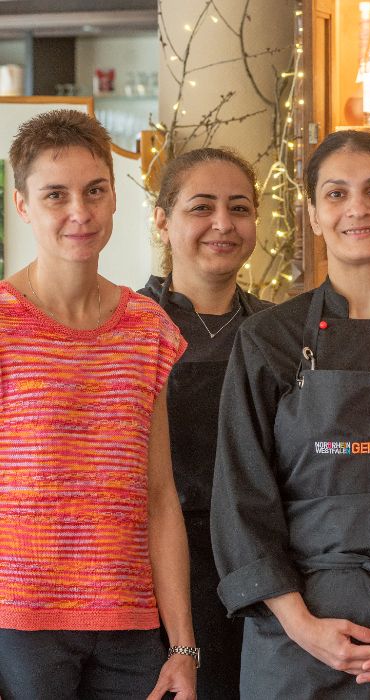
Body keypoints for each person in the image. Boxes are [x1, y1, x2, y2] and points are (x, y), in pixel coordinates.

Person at [210, 130, 370, 698]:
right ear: (312, 214)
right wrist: (302, 626)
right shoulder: (269, 341)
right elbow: (241, 497)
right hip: (298, 638)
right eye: (336, 194)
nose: (357, 208)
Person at [0, 110, 196, 698]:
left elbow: (159, 495)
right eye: (55, 195)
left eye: (94, 191)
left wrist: (183, 646)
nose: (79, 212)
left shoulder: (147, 328)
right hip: (20, 625)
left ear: (114, 198)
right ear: (22, 205)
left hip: (130, 625)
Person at [138, 147, 272, 699]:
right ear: (163, 221)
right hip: (149, 577)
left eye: (239, 208)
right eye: (202, 207)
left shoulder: (279, 333)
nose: (223, 223)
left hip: (258, 574)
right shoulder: (130, 326)